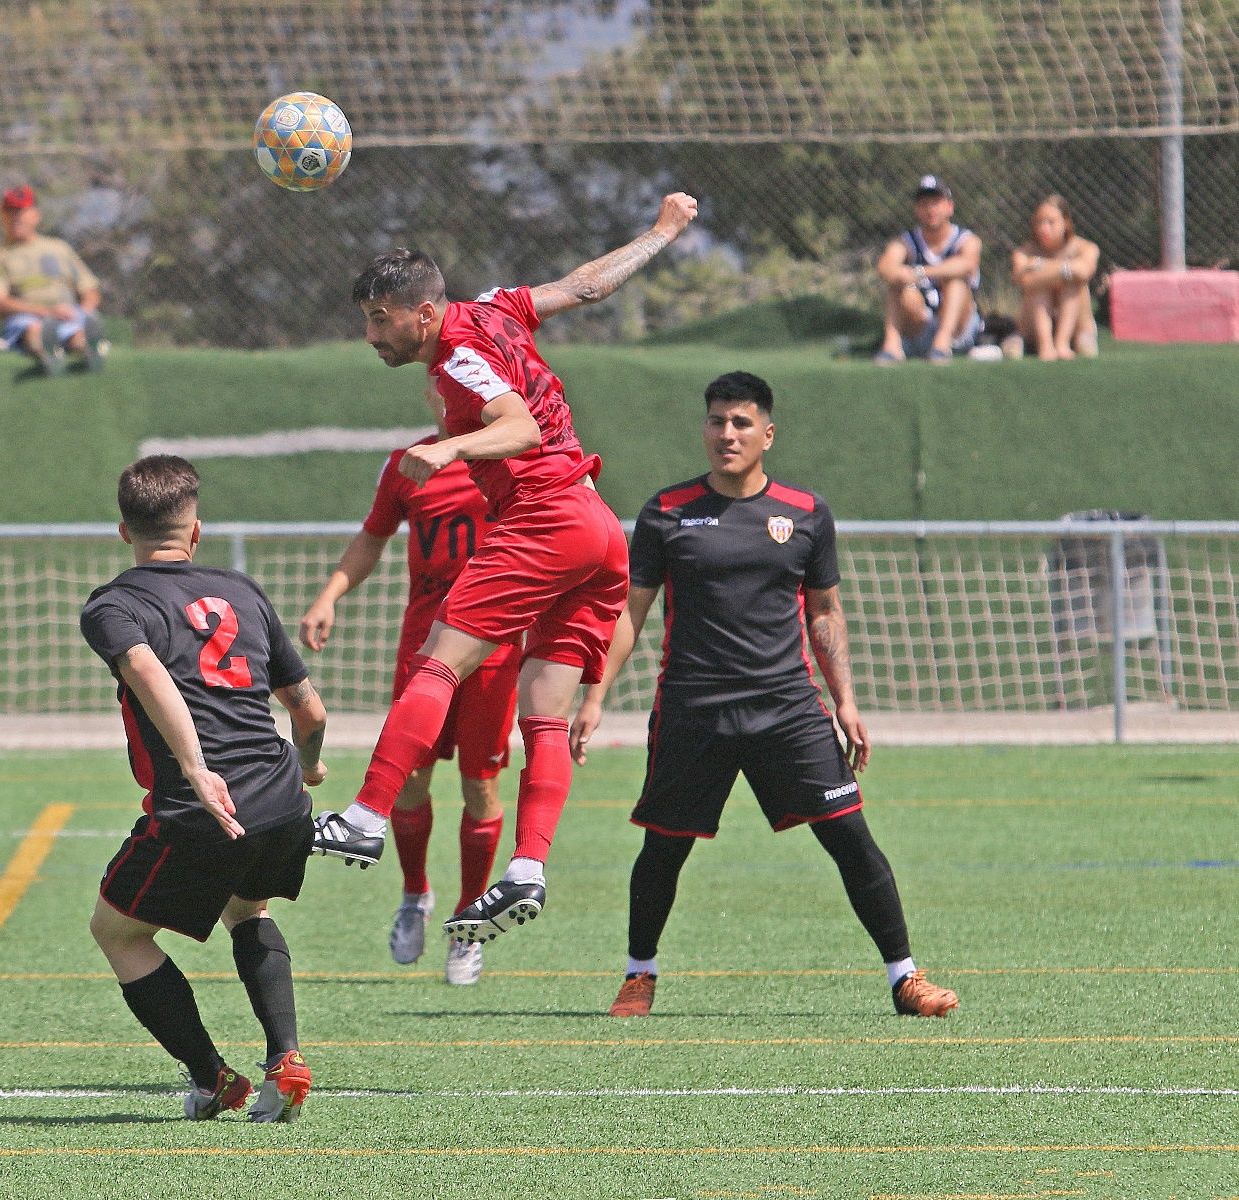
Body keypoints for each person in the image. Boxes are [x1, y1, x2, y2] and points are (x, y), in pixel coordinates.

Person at [309, 191, 701, 948]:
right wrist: (662, 231)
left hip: (545, 515)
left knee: (437, 667)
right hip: (596, 528)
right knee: (546, 712)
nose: (369, 334)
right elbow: (587, 285)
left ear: (422, 313)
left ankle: (364, 817)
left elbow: (517, 424)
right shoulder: (494, 307)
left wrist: (450, 449)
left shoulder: (456, 362)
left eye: (379, 318)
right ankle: (526, 868)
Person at [570, 371, 959, 1021]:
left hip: (787, 707)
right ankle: (639, 976)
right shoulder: (667, 513)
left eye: (741, 422)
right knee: (664, 845)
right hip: (694, 709)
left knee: (851, 838)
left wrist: (847, 701)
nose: (727, 433)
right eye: (717, 421)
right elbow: (630, 614)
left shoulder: (805, 513)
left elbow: (825, 614)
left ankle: (906, 978)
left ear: (767, 434)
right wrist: (594, 696)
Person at [82, 455, 329, 1122]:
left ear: (123, 532)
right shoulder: (242, 592)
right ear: (196, 532)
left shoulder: (115, 604)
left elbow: (141, 666)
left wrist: (194, 768)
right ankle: (286, 1060)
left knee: (119, 933)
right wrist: (309, 768)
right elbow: (311, 713)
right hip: (282, 796)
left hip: (203, 809)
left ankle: (213, 1078)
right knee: (248, 910)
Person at [299, 404, 520, 986]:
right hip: (426, 643)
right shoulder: (407, 463)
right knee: (411, 779)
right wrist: (329, 596)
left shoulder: (516, 456)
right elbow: (372, 538)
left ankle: (469, 922)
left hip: (495, 648)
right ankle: (415, 893)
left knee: (482, 784)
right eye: (440, 378)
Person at [0, 184, 109, 375]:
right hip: (26, 319)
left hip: (67, 314)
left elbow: (89, 289)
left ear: (36, 215)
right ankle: (49, 354)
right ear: (2, 216)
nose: (16, 217)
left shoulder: (59, 248)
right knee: (34, 332)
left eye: (21, 211)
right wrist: (47, 311)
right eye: (10, 211)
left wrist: (83, 311)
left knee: (78, 335)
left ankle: (89, 346)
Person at [873, 175, 983, 365]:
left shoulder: (966, 240)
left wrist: (920, 272)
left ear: (949, 207)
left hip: (958, 333)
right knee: (897, 285)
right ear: (917, 210)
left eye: (936, 203)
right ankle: (891, 346)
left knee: (956, 281)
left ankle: (941, 346)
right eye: (924, 204)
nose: (930, 209)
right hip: (921, 330)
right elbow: (885, 266)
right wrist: (900, 275)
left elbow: (967, 264)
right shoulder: (907, 241)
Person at [1007, 194, 1100, 361]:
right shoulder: (1024, 252)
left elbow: (1084, 271)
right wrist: (1066, 269)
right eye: (1039, 222)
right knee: (1039, 285)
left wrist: (1040, 265)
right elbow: (1025, 281)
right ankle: (1045, 345)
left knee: (1071, 283)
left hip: (1077, 326)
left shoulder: (1085, 247)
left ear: (1066, 222)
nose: (1044, 228)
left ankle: (1062, 343)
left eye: (1051, 222)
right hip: (1035, 328)